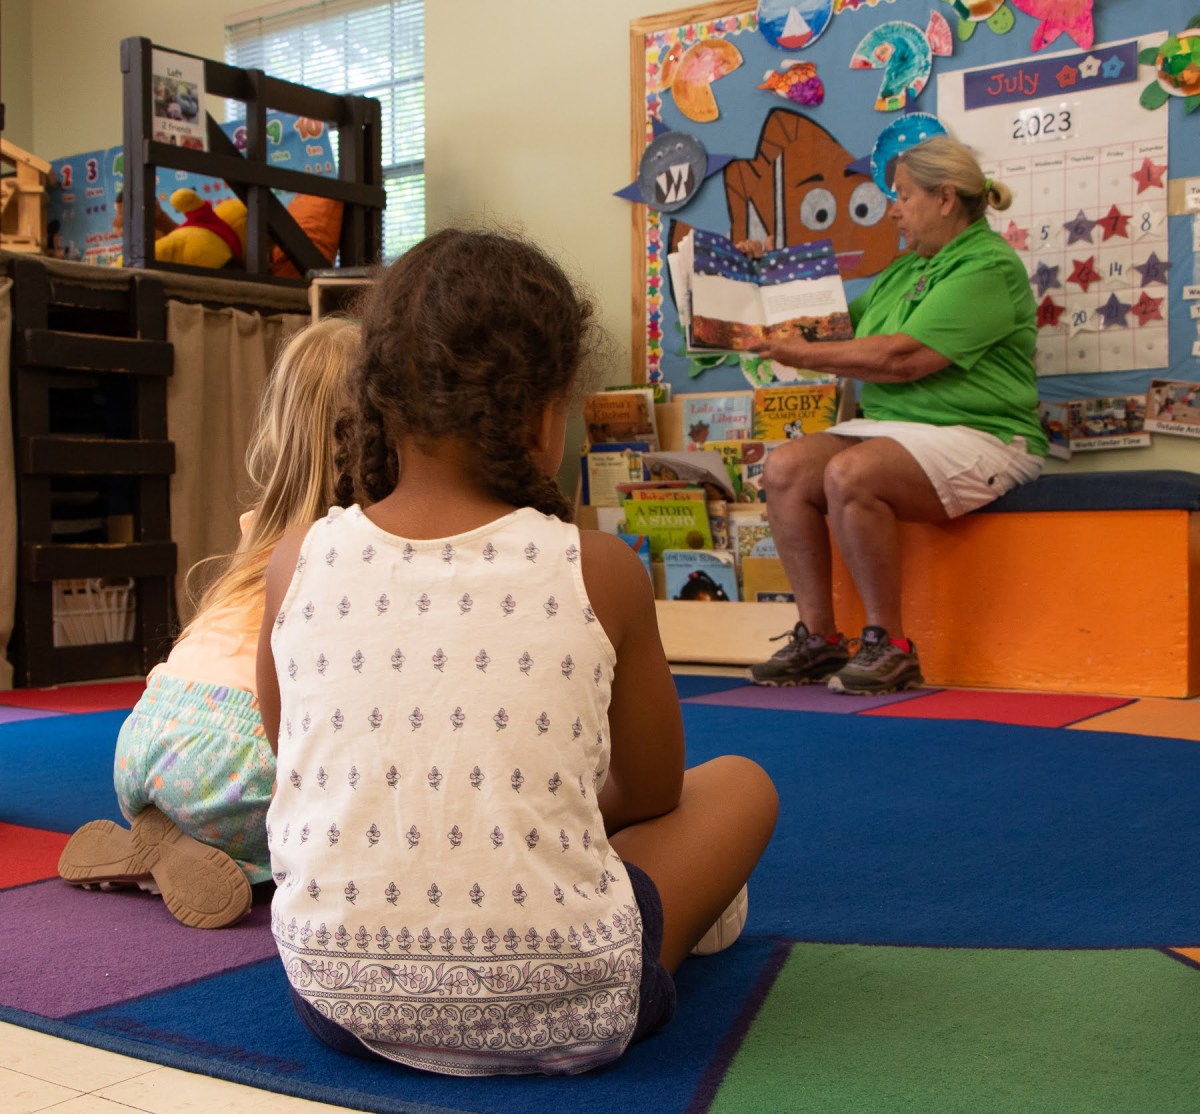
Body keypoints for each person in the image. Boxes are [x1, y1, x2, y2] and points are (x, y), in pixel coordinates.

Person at [256, 228, 779, 1076]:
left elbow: (294, 761)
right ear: (546, 413)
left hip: (336, 1001)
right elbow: (649, 791)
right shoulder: (597, 567)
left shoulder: (298, 559)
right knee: (739, 787)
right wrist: (515, 809)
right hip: (572, 1003)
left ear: (381, 400)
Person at [57, 318, 365, 929]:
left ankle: (164, 830)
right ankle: (228, 841)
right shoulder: (357, 540)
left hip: (146, 734)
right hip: (240, 760)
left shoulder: (257, 529)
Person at [743, 135, 1047, 694]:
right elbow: (828, 326)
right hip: (892, 431)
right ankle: (818, 638)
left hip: (981, 435)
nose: (893, 209)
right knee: (785, 467)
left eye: (903, 195)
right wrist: (758, 278)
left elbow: (901, 359)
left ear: (946, 198)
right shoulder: (903, 271)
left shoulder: (988, 267)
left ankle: (890, 645)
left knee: (850, 473)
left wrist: (801, 354)